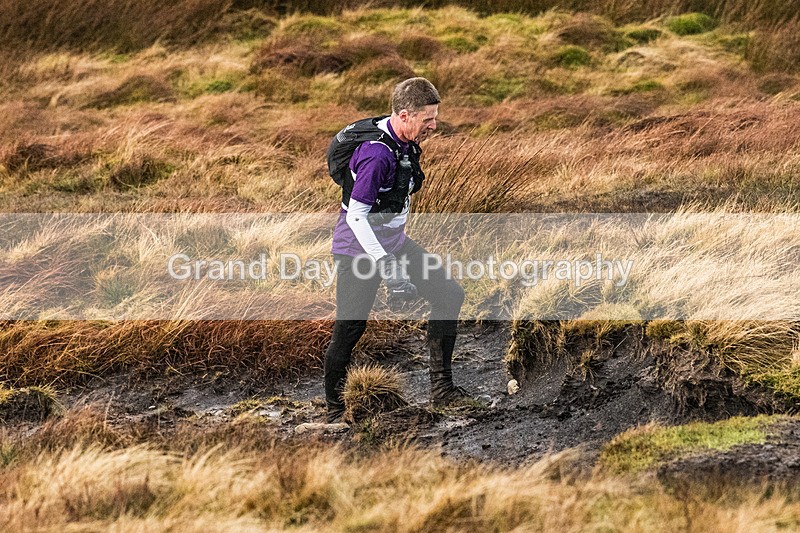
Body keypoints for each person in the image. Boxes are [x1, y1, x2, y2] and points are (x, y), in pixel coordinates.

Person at [324, 77, 469, 423]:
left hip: (393, 244)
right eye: (427, 120)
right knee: (350, 327)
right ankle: (334, 411)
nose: (434, 126)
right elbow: (357, 217)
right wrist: (387, 266)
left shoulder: (401, 137)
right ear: (405, 115)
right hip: (358, 251)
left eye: (435, 118)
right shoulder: (376, 154)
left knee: (449, 295)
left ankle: (443, 390)